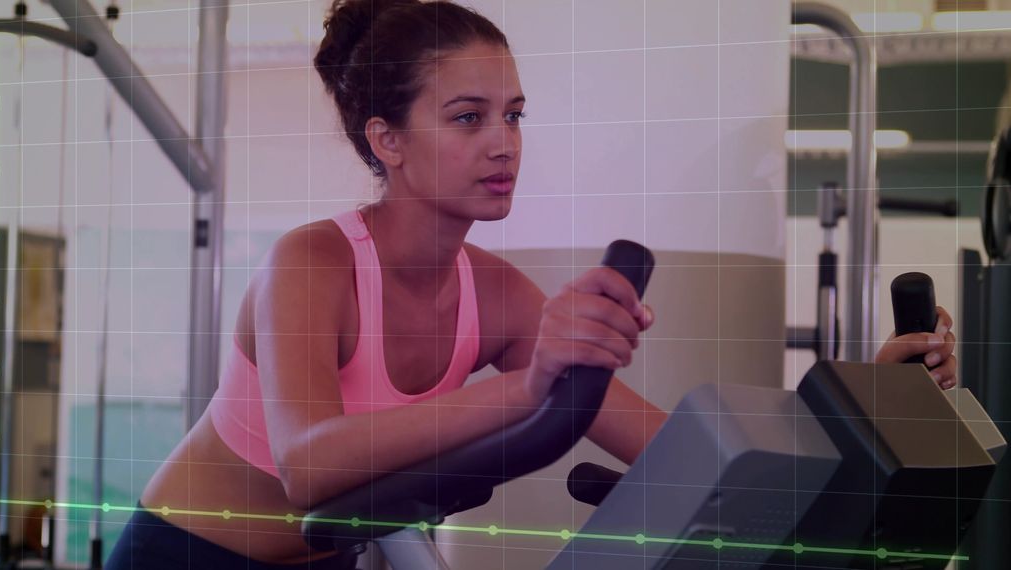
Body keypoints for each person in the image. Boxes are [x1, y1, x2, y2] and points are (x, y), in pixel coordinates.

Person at [105, 1, 958, 568]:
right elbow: (308, 466)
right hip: (184, 554)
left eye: (513, 115)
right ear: (387, 139)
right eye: (467, 118)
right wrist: (530, 386)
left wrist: (867, 403)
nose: (503, 144)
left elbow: (684, 449)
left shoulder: (499, 294)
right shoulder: (313, 264)